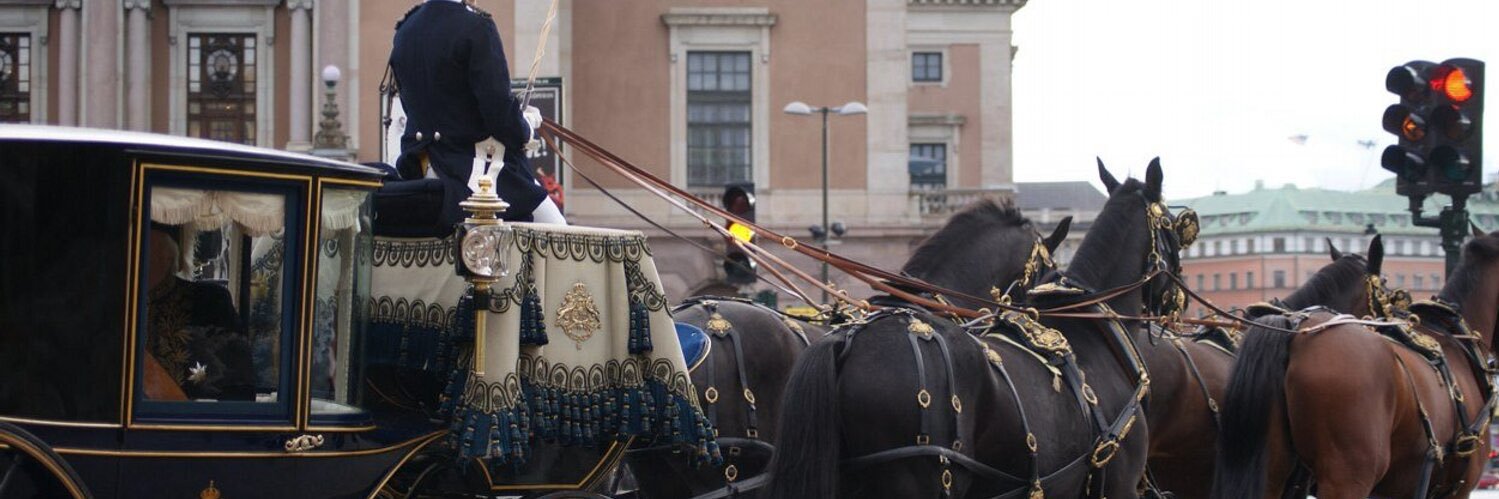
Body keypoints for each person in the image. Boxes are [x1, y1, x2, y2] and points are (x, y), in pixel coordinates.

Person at [388, 0, 565, 226]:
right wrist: (526, 128)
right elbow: (499, 114)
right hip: (474, 174)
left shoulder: (405, 30)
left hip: (418, 169)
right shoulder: (476, 27)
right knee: (558, 230)